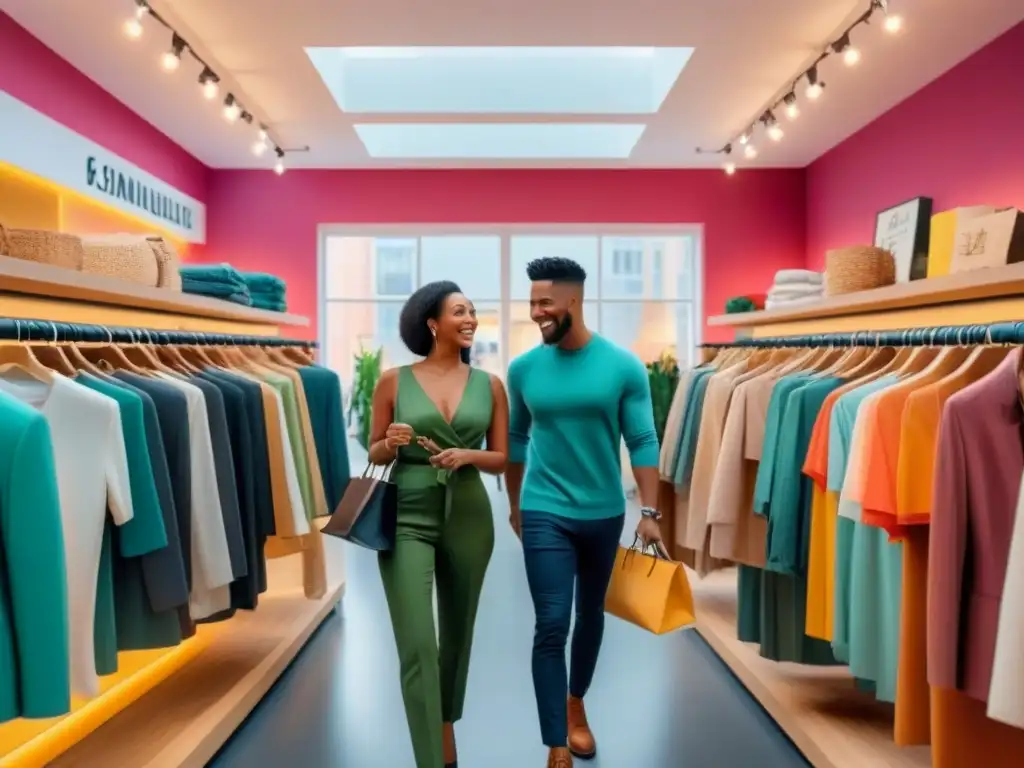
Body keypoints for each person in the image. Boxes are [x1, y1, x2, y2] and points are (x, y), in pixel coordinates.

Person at [505, 257, 663, 768]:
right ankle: (555, 739)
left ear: (573, 300)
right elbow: (516, 438)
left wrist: (651, 510)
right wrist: (513, 504)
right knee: (551, 622)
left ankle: (576, 705)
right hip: (544, 507)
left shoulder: (622, 366)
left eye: (544, 303)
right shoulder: (524, 369)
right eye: (531, 303)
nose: (536, 313)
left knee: (589, 615)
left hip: (602, 512)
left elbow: (641, 438)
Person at [367, 280, 509, 768]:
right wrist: (391, 440)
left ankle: (444, 724)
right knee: (417, 643)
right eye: (459, 312)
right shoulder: (392, 380)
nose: (470, 319)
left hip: (468, 513)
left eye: (473, 311)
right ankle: (432, 758)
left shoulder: (490, 385)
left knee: (457, 634)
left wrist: (468, 454)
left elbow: (502, 457)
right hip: (407, 512)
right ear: (433, 323)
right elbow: (374, 452)